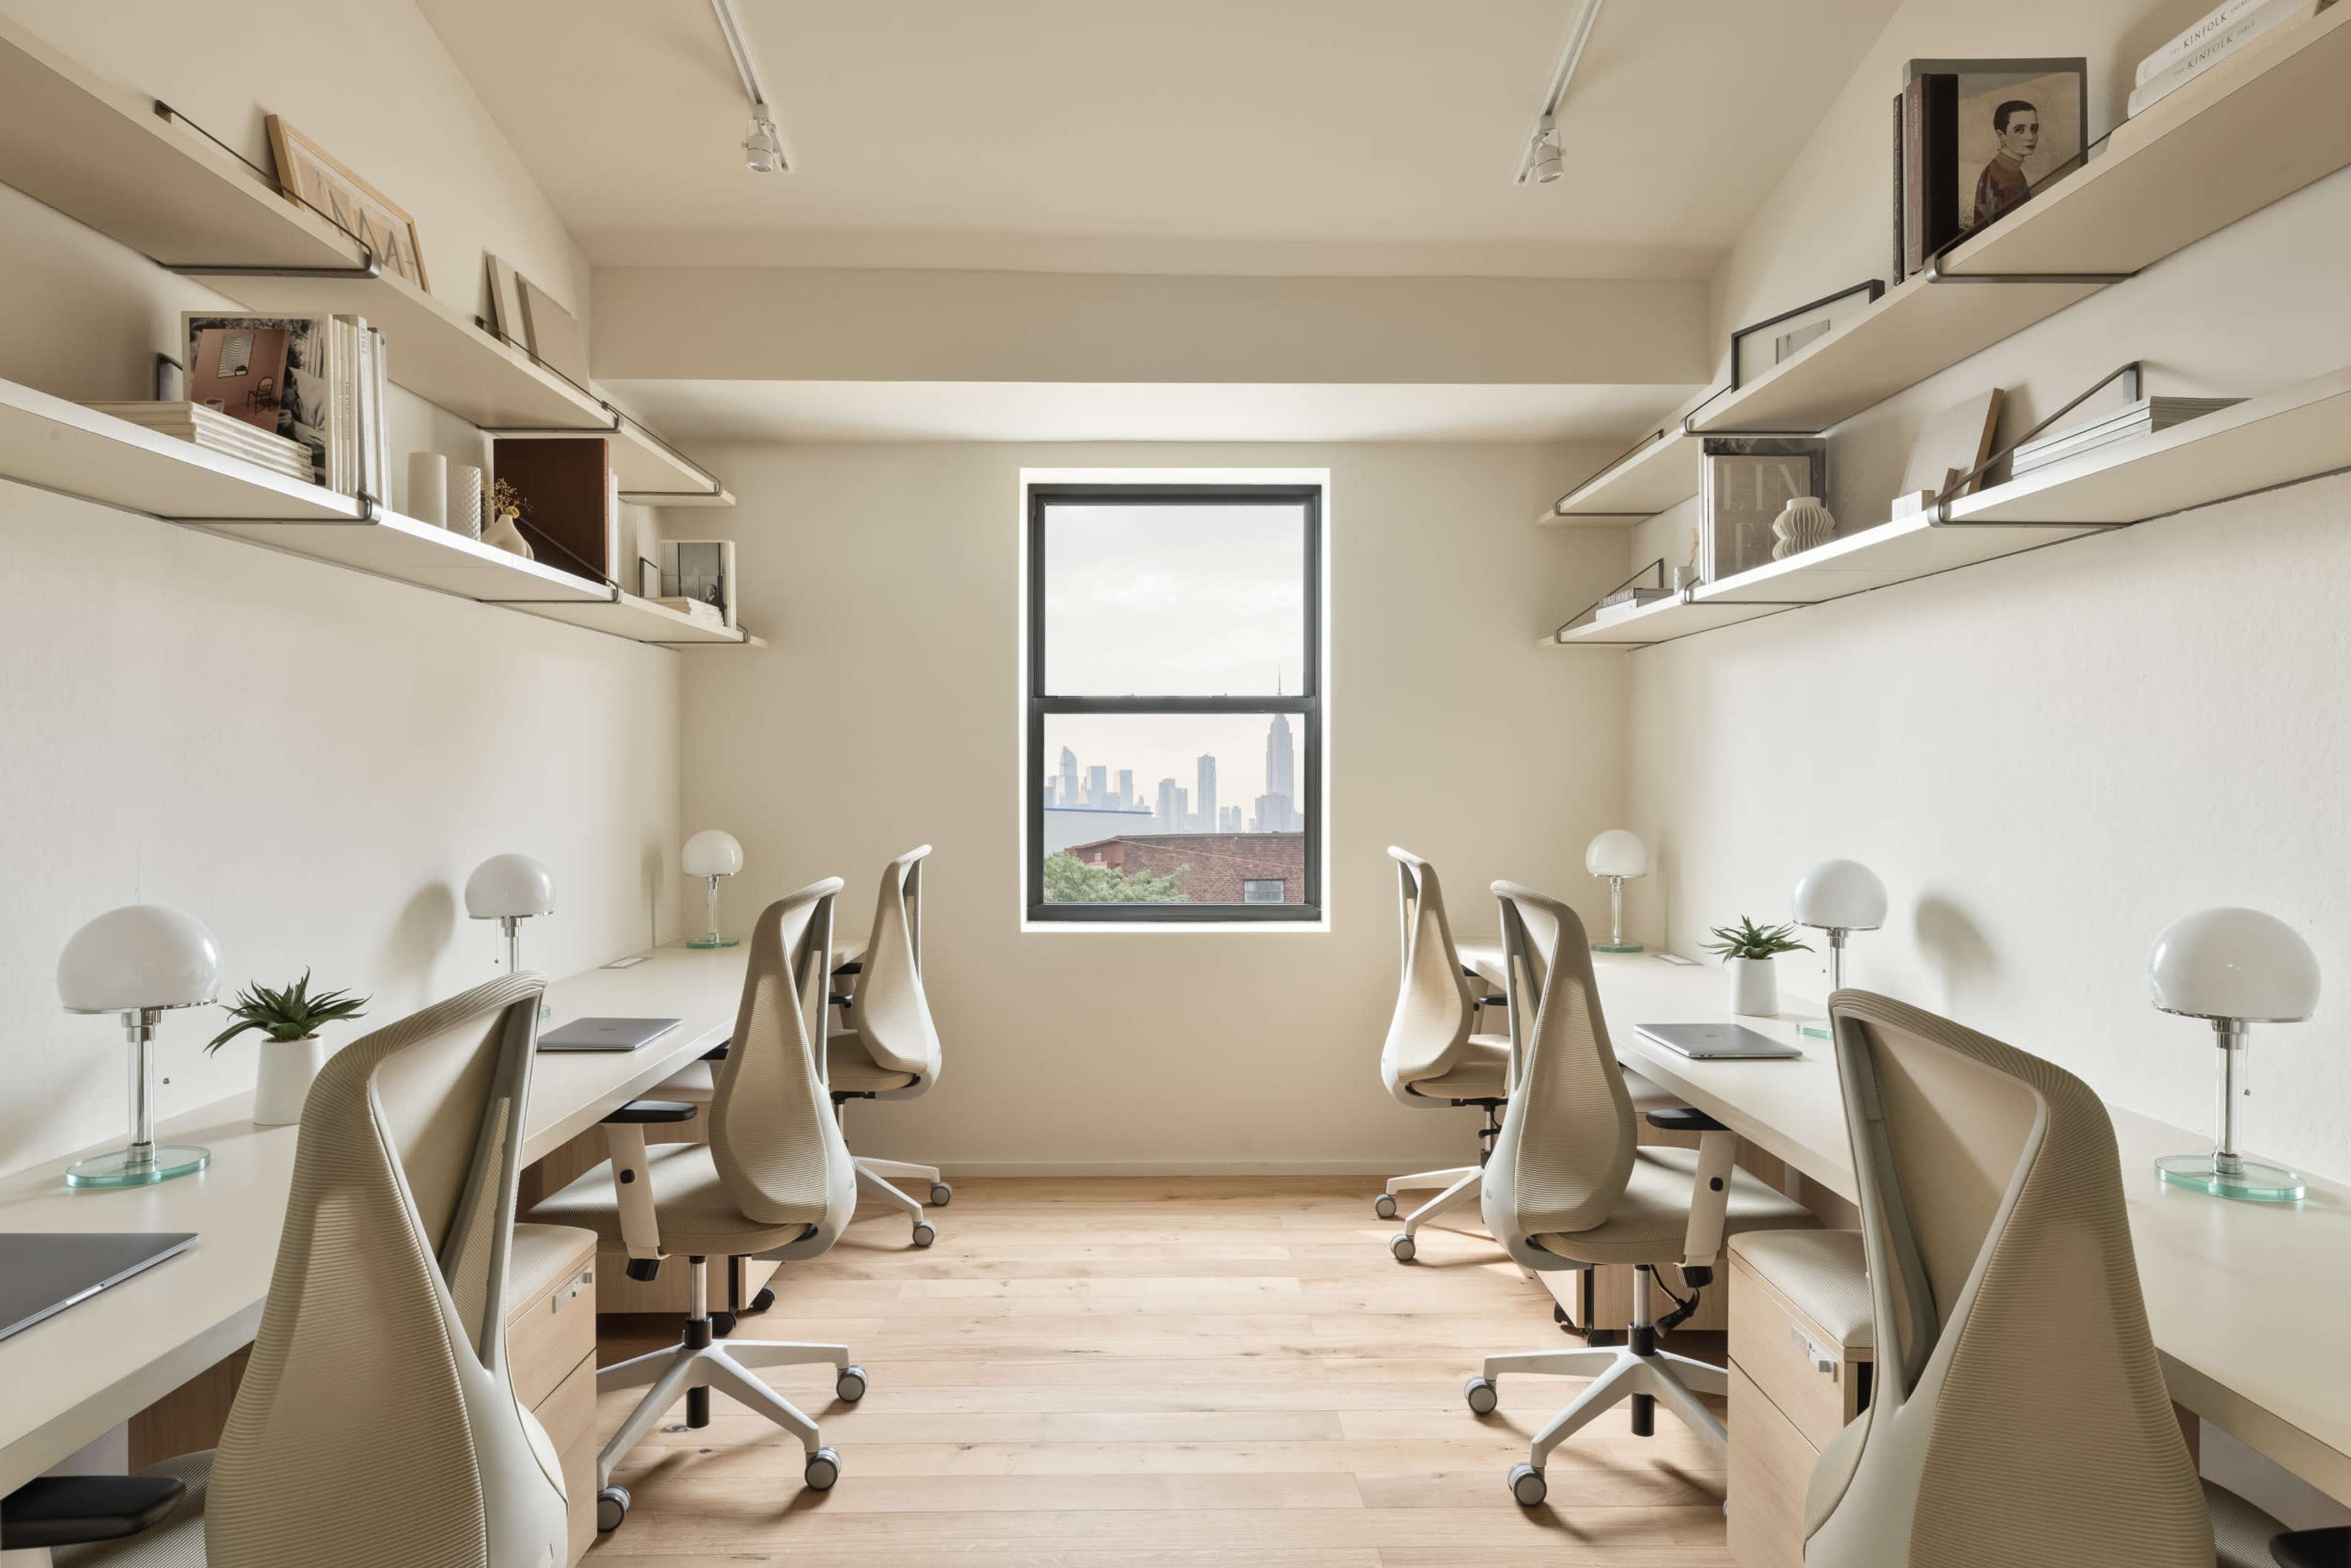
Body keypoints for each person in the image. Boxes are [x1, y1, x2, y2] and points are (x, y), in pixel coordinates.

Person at [1971, 99, 2039, 230]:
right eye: (2020, 130)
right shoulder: (1993, 175)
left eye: (2034, 129)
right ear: (2001, 135)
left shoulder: (2016, 172)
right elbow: (1982, 232)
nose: (2030, 137)